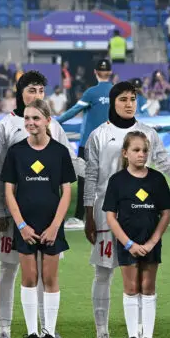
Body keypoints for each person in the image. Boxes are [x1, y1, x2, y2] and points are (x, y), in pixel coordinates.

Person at [82, 81, 170, 338]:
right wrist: (88, 211)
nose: (128, 103)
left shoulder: (146, 132)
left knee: (141, 277)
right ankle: (102, 333)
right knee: (103, 272)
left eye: (132, 98)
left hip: (141, 214)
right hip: (106, 211)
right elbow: (90, 175)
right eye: (123, 99)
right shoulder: (99, 134)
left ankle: (143, 335)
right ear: (113, 102)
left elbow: (164, 162)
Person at [0, 72, 78, 338]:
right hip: (15, 216)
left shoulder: (57, 129)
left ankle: (47, 330)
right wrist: (0, 210)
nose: (37, 94)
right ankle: (5, 329)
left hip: (50, 217)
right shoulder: (5, 127)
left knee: (48, 272)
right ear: (19, 92)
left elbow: (66, 170)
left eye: (41, 89)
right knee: (9, 268)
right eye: (31, 89)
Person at [103, 131, 170, 338]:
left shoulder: (156, 179)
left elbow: (165, 213)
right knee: (131, 288)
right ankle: (133, 337)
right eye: (136, 150)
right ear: (125, 153)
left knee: (148, 287)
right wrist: (128, 243)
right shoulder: (117, 181)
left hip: (150, 244)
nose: (141, 154)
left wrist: (153, 241)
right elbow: (111, 217)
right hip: (128, 245)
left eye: (144, 150)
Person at [56, 58, 113, 221]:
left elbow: (74, 110)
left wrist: (55, 121)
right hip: (110, 143)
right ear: (110, 73)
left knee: (84, 179)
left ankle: (80, 218)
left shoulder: (91, 92)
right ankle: (111, 215)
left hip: (89, 143)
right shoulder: (117, 92)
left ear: (95, 72)